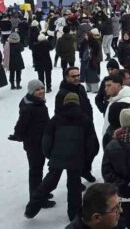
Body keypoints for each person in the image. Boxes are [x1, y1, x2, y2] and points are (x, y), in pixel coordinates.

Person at [25, 92, 97, 221]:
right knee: (74, 187)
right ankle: (74, 215)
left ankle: (31, 209)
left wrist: (50, 155)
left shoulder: (55, 119)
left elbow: (46, 141)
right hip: (76, 158)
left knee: (48, 183)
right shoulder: (85, 119)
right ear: (78, 103)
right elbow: (91, 143)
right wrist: (86, 158)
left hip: (57, 157)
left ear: (64, 103)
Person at [8, 80, 53, 207]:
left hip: (40, 141)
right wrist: (18, 136)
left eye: (42, 88)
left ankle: (40, 192)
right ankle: (37, 198)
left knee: (38, 168)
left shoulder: (36, 102)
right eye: (37, 90)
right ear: (31, 91)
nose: (41, 91)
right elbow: (21, 125)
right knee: (35, 170)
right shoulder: (30, 107)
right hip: (34, 144)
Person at [56, 67, 100, 183]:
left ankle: (85, 170)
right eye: (73, 76)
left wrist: (90, 118)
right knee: (77, 155)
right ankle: (76, 180)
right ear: (66, 77)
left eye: (78, 75)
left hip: (88, 124)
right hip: (74, 130)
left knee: (93, 148)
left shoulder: (80, 87)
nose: (77, 78)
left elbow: (86, 103)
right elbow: (59, 114)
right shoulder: (62, 93)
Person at [101, 73, 130, 147]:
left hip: (119, 146)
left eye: (109, 85)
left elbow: (128, 129)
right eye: (105, 86)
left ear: (119, 86)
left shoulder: (126, 102)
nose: (105, 88)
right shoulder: (114, 99)